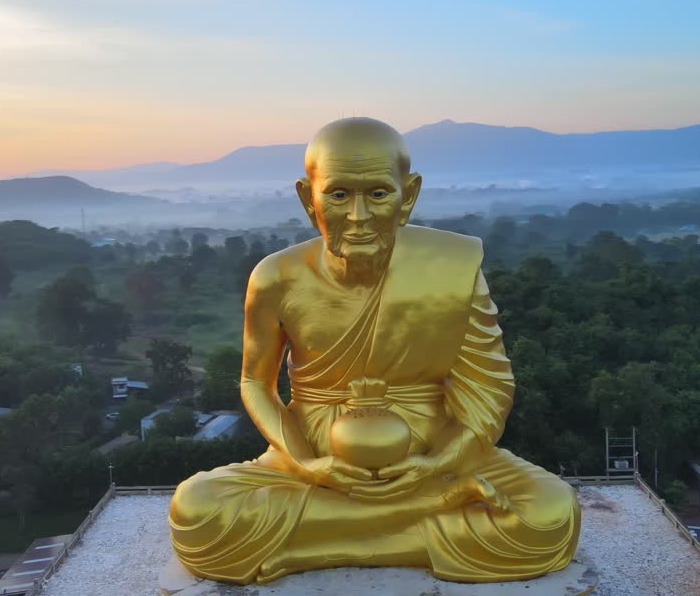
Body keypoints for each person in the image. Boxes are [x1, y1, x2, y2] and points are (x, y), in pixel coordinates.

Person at [169, 118, 579, 584]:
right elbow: (254, 383)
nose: (359, 216)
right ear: (309, 198)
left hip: (433, 457)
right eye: (339, 194)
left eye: (378, 194)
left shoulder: (452, 268)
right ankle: (429, 517)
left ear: (409, 195)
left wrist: (439, 464)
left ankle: (322, 545)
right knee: (196, 511)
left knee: (550, 512)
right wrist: (308, 464)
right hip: (313, 459)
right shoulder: (276, 278)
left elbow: (488, 386)